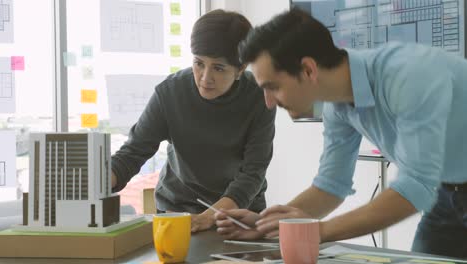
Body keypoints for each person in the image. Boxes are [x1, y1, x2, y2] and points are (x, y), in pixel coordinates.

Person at [214, 8, 467, 258]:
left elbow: (415, 187)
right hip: (447, 194)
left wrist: (318, 231)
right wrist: (263, 225)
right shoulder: (337, 105)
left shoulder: (409, 75)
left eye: (273, 87)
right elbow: (331, 186)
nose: (268, 102)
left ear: (309, 70)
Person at [111, 9, 276, 233]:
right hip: (178, 212)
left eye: (218, 68)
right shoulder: (170, 93)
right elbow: (131, 154)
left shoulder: (259, 97)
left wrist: (208, 218)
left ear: (241, 69)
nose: (205, 78)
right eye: (199, 63)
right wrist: (89, 186)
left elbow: (252, 173)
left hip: (238, 215)